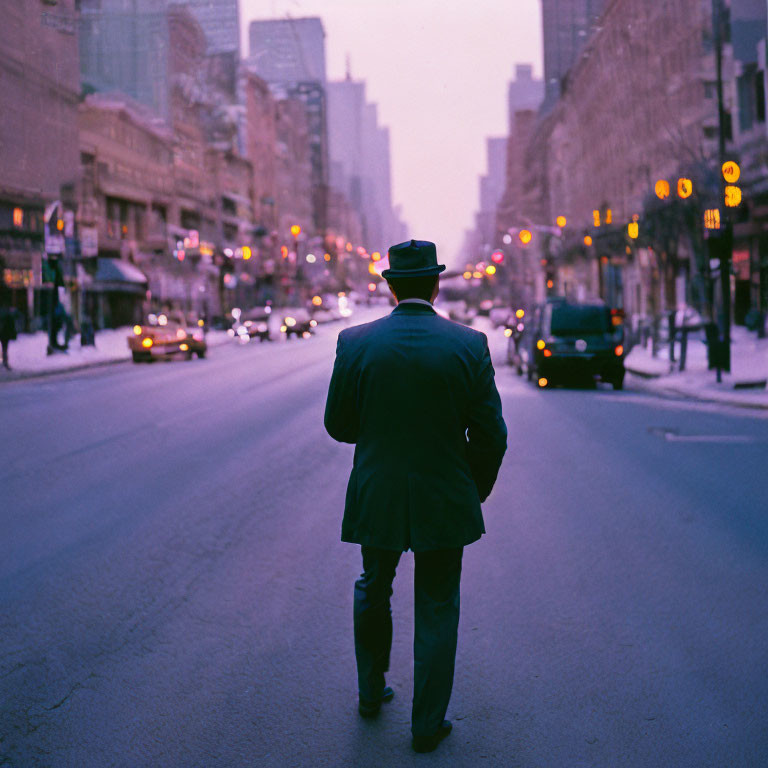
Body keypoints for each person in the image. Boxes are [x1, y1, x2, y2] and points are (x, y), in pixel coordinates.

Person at [324, 239, 507, 753]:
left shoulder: (355, 343)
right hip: (443, 497)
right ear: (436, 283)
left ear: (389, 286)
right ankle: (427, 724)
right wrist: (472, 488)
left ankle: (369, 689)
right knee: (437, 603)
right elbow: (492, 434)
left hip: (377, 490)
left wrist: (380, 433)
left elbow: (338, 425)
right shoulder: (468, 345)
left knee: (372, 583)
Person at [0, 305, 19, 370]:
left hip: (4, 333)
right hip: (5, 333)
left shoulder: (5, 313)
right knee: (4, 348)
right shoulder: (9, 313)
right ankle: (4, 362)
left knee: (4, 348)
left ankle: (4, 361)